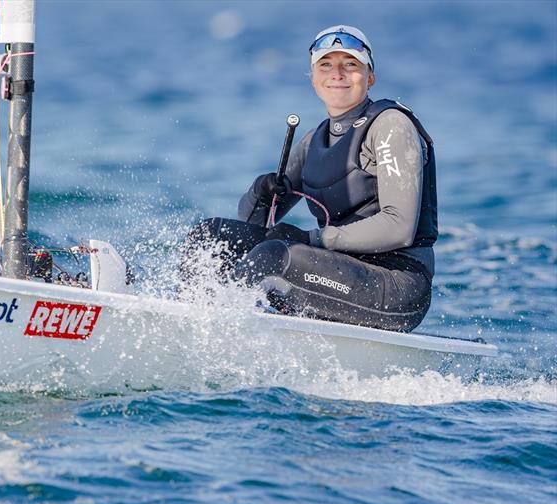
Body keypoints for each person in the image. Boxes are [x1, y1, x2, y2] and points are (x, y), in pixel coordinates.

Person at [182, 25, 437, 333]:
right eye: (326, 65)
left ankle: (218, 333)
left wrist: (313, 239)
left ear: (370, 77)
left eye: (351, 65)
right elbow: (254, 223)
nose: (337, 73)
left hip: (396, 286)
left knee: (275, 257)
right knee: (214, 236)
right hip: (337, 271)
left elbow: (399, 227)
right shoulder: (312, 141)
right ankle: (187, 315)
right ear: (314, 79)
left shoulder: (391, 126)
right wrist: (261, 192)